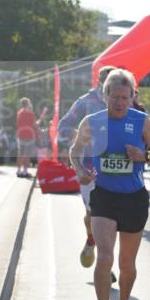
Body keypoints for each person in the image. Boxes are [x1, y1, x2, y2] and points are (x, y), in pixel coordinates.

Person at [69, 69, 150, 300]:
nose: (120, 102)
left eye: (126, 97)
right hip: (104, 195)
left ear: (132, 97)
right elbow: (75, 151)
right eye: (115, 97)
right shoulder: (92, 121)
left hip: (134, 198)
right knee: (105, 257)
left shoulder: (142, 121)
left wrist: (145, 155)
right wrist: (80, 170)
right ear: (105, 96)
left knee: (127, 262)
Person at [59, 65, 116, 270]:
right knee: (93, 215)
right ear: (99, 81)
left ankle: (105, 265)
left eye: (115, 79)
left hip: (117, 168)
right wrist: (80, 135)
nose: (111, 83)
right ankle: (92, 240)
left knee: (111, 218)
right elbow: (63, 126)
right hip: (90, 166)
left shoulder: (125, 102)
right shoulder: (86, 102)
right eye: (106, 78)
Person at [15, 98, 44, 178]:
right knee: (27, 154)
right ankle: (25, 171)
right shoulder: (30, 114)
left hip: (21, 135)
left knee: (20, 154)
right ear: (28, 104)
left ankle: (18, 170)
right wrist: (41, 118)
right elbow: (35, 125)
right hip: (29, 135)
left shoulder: (19, 113)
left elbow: (18, 124)